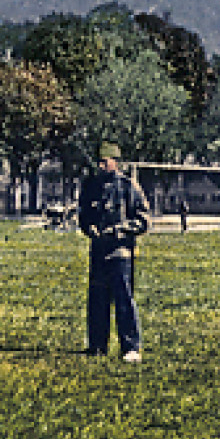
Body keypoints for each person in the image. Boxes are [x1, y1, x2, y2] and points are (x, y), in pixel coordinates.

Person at [79, 141, 150, 362]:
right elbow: (84, 215)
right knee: (97, 300)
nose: (100, 166)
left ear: (116, 163)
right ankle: (97, 345)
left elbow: (144, 220)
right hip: (98, 252)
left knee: (124, 300)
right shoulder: (90, 186)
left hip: (121, 254)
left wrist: (119, 231)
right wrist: (89, 228)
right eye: (98, 162)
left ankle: (130, 347)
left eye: (105, 162)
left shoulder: (129, 186)